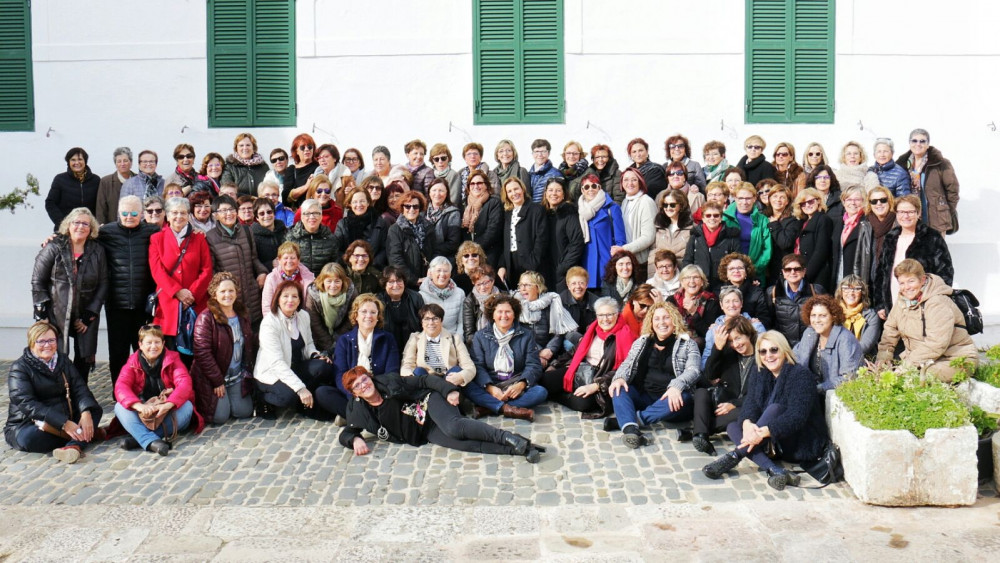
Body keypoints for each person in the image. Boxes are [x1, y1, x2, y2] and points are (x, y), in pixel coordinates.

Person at [701, 330, 829, 490]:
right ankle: (774, 469)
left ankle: (735, 455)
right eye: (763, 351)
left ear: (784, 350)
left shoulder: (801, 375)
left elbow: (796, 417)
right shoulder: (760, 371)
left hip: (798, 439)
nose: (769, 355)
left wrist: (764, 431)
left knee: (775, 408)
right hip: (771, 438)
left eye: (774, 350)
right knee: (733, 427)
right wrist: (747, 423)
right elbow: (751, 402)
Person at [339, 366, 544, 462]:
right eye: (357, 385)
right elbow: (346, 433)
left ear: (370, 378)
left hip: (429, 402)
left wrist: (449, 390)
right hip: (423, 430)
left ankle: (506, 437)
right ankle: (520, 448)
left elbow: (424, 381)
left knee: (454, 427)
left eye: (364, 379)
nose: (363, 385)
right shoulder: (358, 409)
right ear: (354, 392)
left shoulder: (390, 381)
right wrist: (355, 439)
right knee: (464, 444)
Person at [4, 321, 104, 463]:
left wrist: (85, 411)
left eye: (51, 340)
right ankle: (87, 436)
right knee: (29, 439)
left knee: (94, 411)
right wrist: (63, 423)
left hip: (65, 414)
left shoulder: (63, 360)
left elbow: (79, 388)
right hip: (29, 423)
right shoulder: (19, 368)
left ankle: (73, 446)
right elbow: (27, 403)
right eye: (41, 341)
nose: (47, 345)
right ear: (32, 343)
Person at [607, 302, 700, 448]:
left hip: (671, 401)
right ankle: (631, 429)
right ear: (651, 322)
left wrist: (676, 387)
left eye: (666, 318)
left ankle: (630, 422)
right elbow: (627, 363)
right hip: (645, 396)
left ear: (674, 320)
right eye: (657, 319)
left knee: (684, 396)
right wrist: (619, 378)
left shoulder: (687, 344)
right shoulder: (642, 342)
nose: (661, 322)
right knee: (619, 389)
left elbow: (693, 370)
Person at [32, 208, 108, 379]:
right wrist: (41, 314)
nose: (80, 227)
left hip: (86, 313)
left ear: (91, 228)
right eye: (76, 222)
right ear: (68, 225)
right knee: (56, 355)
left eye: (85, 224)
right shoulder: (54, 247)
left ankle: (79, 397)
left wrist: (91, 314)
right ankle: (60, 397)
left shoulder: (97, 250)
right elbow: (38, 281)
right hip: (55, 312)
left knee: (84, 358)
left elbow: (103, 283)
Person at [877, 259, 977, 383]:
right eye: (902, 283)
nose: (906, 287)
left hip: (953, 359)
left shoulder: (937, 303)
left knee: (915, 378)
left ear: (922, 280)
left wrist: (907, 366)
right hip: (924, 359)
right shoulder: (903, 300)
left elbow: (936, 343)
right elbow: (890, 329)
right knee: (885, 377)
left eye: (911, 281)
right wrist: (883, 357)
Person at [114, 324, 203, 455]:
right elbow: (121, 386)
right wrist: (139, 406)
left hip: (167, 413)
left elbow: (185, 383)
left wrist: (168, 405)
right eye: (149, 342)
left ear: (163, 343)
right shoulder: (132, 362)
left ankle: (139, 439)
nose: (153, 346)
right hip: (144, 414)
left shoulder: (173, 359)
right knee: (119, 407)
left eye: (157, 342)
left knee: (187, 407)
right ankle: (151, 441)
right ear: (140, 344)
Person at [98, 195, 160, 382]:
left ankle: (145, 392)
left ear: (141, 214)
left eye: (134, 213)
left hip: (143, 305)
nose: (129, 216)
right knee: (118, 355)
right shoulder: (106, 232)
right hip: (116, 304)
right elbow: (79, 235)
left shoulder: (152, 231)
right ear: (119, 213)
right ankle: (120, 397)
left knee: (146, 352)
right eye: (125, 213)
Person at [541, 297, 635, 416]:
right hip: (581, 370)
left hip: (601, 377)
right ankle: (566, 391)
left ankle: (558, 395)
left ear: (617, 314)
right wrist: (554, 365)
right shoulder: (593, 329)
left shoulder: (626, 336)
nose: (605, 319)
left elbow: (623, 369)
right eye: (600, 315)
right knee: (545, 379)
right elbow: (574, 351)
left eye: (609, 314)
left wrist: (597, 385)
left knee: (582, 404)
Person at [468, 294, 548, 421]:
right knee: (468, 387)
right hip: (491, 383)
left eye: (508, 312)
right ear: (492, 315)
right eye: (499, 312)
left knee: (540, 392)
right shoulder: (480, 336)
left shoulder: (526, 335)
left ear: (514, 314)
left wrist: (521, 384)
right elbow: (478, 365)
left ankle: (490, 407)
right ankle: (508, 409)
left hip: (515, 382)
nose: (504, 316)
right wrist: (490, 388)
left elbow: (533, 364)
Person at [872, 195, 953, 319]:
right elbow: (881, 273)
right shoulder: (890, 237)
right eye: (901, 212)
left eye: (910, 212)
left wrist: (933, 301)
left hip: (923, 304)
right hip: (893, 300)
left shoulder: (931, 237)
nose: (906, 216)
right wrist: (880, 303)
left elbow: (945, 272)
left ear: (918, 213)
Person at [149, 197, 212, 352]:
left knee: (197, 352)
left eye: (183, 213)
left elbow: (207, 269)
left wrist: (192, 294)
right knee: (170, 352)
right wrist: (177, 292)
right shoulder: (157, 238)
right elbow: (157, 270)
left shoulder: (199, 238)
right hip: (168, 303)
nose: (179, 216)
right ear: (167, 216)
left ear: (188, 215)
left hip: (196, 303)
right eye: (174, 212)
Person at [191, 272, 255, 425]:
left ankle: (232, 398)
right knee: (220, 417)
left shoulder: (242, 314)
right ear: (214, 294)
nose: (228, 295)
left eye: (231, 290)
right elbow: (202, 352)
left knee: (244, 412)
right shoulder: (206, 318)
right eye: (223, 291)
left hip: (236, 376)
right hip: (214, 378)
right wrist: (217, 381)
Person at [694, 316, 757, 456]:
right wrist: (718, 348)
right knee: (701, 393)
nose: (736, 344)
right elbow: (710, 375)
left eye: (738, 338)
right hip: (723, 401)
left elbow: (760, 394)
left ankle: (700, 432)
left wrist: (733, 404)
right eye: (731, 341)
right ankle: (701, 437)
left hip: (743, 405)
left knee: (743, 412)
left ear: (749, 334)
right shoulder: (729, 353)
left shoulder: (762, 356)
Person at [328, 294, 400, 415]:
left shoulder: (387, 339)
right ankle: (359, 413)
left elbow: (392, 372)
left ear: (378, 317)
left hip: (378, 391)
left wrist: (371, 392)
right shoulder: (344, 340)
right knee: (323, 393)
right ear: (356, 315)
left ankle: (352, 415)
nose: (368, 316)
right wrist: (355, 394)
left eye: (373, 312)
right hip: (353, 392)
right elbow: (340, 374)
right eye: (364, 312)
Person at [205, 195, 269, 328]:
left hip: (252, 295)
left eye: (231, 209)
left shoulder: (246, 231)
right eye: (223, 211)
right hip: (230, 298)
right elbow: (212, 271)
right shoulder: (210, 237)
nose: (229, 214)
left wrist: (262, 272)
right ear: (216, 215)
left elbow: (254, 258)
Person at [792, 295, 862, 393]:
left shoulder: (845, 339)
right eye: (813, 315)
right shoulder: (809, 333)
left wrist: (818, 388)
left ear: (833, 316)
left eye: (823, 316)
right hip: (811, 393)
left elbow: (849, 378)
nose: (816, 320)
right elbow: (795, 359)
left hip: (836, 396)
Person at [896, 128, 960, 235]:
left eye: (922, 141)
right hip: (910, 219)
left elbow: (953, 191)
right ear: (909, 143)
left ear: (928, 144)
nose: (918, 144)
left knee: (936, 251)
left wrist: (945, 211)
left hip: (936, 220)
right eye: (914, 141)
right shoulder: (901, 165)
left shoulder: (941, 163)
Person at [401, 303, 476, 390]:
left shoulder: (454, 338)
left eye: (435, 318)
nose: (431, 322)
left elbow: (469, 366)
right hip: (427, 380)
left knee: (457, 370)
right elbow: (407, 365)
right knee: (418, 372)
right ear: (422, 322)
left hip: (449, 379)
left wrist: (461, 376)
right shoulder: (415, 338)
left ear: (441, 321)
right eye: (427, 319)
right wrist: (411, 378)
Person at [514, 270, 577, 370]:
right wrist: (539, 352)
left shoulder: (550, 303)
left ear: (538, 288)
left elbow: (559, 330)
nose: (523, 288)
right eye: (521, 285)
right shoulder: (515, 305)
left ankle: (556, 366)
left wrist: (550, 349)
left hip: (549, 351)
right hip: (526, 350)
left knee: (571, 342)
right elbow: (517, 333)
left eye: (527, 285)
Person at [578, 174, 627, 290]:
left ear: (599, 188)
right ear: (582, 190)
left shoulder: (612, 208)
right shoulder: (580, 210)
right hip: (587, 264)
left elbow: (620, 240)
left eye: (594, 186)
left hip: (606, 263)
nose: (590, 189)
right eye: (587, 187)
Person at [497, 177, 546, 287]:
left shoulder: (536, 209)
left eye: (516, 189)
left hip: (530, 263)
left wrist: (532, 265)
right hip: (512, 264)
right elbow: (504, 243)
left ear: (522, 189)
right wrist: (502, 266)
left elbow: (541, 240)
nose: (514, 193)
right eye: (509, 191)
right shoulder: (507, 213)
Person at [682, 201, 741, 291]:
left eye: (716, 215)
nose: (712, 218)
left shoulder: (731, 236)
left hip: (724, 285)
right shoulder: (695, 236)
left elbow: (738, 261)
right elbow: (687, 260)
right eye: (708, 215)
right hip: (699, 285)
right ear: (703, 218)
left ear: (721, 218)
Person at [767, 254, 824, 346]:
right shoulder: (772, 293)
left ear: (804, 271)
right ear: (783, 273)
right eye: (788, 269)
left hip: (811, 345)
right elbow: (770, 321)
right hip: (784, 347)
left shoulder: (816, 291)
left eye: (797, 269)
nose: (792, 272)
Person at [723, 182, 772, 284]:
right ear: (735, 198)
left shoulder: (762, 220)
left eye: (748, 198)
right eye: (740, 198)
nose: (744, 202)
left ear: (754, 199)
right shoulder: (725, 218)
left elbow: (767, 250)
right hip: (730, 274)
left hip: (755, 273)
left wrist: (752, 269)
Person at [387, 191, 438, 288]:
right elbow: (395, 259)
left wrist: (432, 272)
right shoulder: (395, 230)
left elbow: (436, 251)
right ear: (402, 207)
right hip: (407, 284)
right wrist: (414, 280)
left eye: (415, 206)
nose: (411, 209)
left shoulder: (428, 227)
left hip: (429, 281)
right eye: (408, 206)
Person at [542, 178, 584, 291]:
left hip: (563, 272)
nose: (554, 194)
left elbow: (577, 243)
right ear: (545, 193)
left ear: (564, 194)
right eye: (550, 190)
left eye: (558, 190)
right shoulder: (543, 214)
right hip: (546, 271)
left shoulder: (569, 213)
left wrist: (562, 268)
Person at [305, 262, 358, 352]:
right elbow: (314, 323)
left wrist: (338, 341)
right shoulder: (313, 294)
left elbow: (351, 319)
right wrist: (329, 345)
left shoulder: (351, 292)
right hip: (319, 340)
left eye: (337, 281)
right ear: (323, 282)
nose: (333, 286)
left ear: (343, 282)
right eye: (329, 281)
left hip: (344, 337)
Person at [615, 168, 657, 276]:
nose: (630, 183)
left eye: (634, 180)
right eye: (626, 180)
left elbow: (648, 237)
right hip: (627, 261)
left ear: (640, 182)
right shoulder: (625, 202)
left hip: (640, 262)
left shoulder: (646, 202)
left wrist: (623, 249)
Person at [45, 147, 101, 229]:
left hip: (88, 228)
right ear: (68, 162)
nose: (77, 162)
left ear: (85, 161)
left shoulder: (96, 180)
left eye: (80, 159)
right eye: (73, 160)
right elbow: (50, 203)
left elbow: (100, 205)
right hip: (65, 228)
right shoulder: (60, 179)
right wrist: (62, 223)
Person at [668, 265, 722, 347]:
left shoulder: (711, 302)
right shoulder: (671, 300)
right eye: (687, 277)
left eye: (696, 277)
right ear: (682, 282)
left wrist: (694, 312)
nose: (692, 281)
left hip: (698, 345)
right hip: (674, 341)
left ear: (702, 282)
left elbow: (708, 333)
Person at [462, 169, 505, 267]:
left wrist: (474, 249)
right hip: (468, 258)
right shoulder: (464, 205)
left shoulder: (494, 203)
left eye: (479, 183)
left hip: (488, 255)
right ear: (468, 187)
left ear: (486, 185)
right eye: (472, 184)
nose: (476, 186)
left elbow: (493, 231)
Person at [793, 187, 834, 289]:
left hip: (815, 276)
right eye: (803, 203)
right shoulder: (803, 222)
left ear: (818, 201)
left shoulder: (823, 219)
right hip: (801, 273)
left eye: (810, 201)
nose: (807, 205)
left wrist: (805, 276)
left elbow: (821, 251)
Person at [377, 266, 425, 353]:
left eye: (399, 281)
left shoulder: (415, 297)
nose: (396, 285)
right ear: (384, 284)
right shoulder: (378, 301)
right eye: (391, 282)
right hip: (386, 349)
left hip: (413, 349)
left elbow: (424, 323)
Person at [831, 186, 873, 285]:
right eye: (848, 199)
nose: (853, 203)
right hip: (837, 276)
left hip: (856, 279)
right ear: (843, 202)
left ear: (864, 201)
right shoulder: (837, 222)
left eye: (857, 199)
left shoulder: (867, 223)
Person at [284, 198, 337, 276]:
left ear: (321, 216)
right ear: (302, 217)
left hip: (322, 282)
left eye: (316, 213)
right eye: (307, 213)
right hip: (297, 280)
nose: (312, 217)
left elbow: (334, 264)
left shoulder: (330, 238)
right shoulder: (290, 237)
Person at [717, 252, 771, 327]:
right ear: (726, 274)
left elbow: (765, 318)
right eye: (731, 268)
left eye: (740, 268)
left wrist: (756, 322)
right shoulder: (719, 292)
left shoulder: (756, 292)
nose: (736, 271)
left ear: (746, 272)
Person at [261, 241, 315, 317]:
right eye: (285, 258)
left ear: (298, 260)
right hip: (278, 320)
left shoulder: (308, 278)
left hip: (301, 319)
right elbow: (267, 307)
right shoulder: (271, 278)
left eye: (293, 258)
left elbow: (310, 307)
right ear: (279, 260)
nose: (289, 261)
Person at [333, 187, 385, 263]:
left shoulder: (379, 223)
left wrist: (370, 264)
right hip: (348, 268)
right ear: (350, 204)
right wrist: (350, 263)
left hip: (374, 269)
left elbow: (384, 249)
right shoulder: (342, 224)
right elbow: (336, 250)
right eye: (355, 202)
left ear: (368, 203)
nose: (359, 205)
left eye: (362, 201)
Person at [836, 275, 882, 358]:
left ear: (862, 293)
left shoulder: (871, 316)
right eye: (846, 288)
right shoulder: (834, 314)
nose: (851, 293)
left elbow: (866, 345)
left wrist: (846, 357)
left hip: (864, 360)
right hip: (837, 359)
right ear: (841, 292)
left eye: (856, 289)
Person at [419, 257, 465, 337]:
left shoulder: (459, 293)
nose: (442, 274)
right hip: (430, 339)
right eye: (439, 270)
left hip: (452, 338)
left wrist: (457, 341)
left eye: (446, 271)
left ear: (450, 274)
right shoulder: (421, 295)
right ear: (431, 273)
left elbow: (461, 322)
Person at [425, 177, 462, 268]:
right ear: (429, 192)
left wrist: (431, 251)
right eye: (434, 190)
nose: (437, 194)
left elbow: (453, 243)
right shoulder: (422, 211)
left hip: (444, 259)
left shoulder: (453, 213)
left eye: (441, 191)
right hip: (423, 258)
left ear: (446, 194)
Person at [651, 189, 693, 268]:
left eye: (672, 205)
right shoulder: (658, 226)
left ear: (681, 206)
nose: (668, 208)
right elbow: (652, 254)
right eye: (665, 205)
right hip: (661, 275)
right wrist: (651, 277)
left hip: (683, 274)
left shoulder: (692, 228)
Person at [561, 266, 599, 349]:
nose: (578, 286)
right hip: (569, 338)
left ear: (586, 285)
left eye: (581, 283)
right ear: (568, 285)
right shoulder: (560, 302)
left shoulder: (596, 302)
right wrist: (579, 339)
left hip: (591, 337)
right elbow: (564, 329)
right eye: (573, 283)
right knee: (570, 345)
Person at [463, 265, 501, 348]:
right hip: (480, 345)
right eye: (478, 284)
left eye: (486, 283)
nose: (482, 287)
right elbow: (469, 334)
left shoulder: (503, 297)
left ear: (492, 281)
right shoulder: (470, 301)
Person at [220, 133, 269, 197]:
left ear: (253, 148)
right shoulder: (229, 167)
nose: (245, 148)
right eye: (241, 145)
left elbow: (269, 188)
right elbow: (228, 190)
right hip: (238, 205)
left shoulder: (263, 166)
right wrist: (251, 198)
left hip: (260, 204)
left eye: (248, 145)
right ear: (236, 148)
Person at [866, 185, 897, 282]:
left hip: (893, 280)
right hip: (870, 280)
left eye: (883, 200)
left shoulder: (898, 223)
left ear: (890, 201)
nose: (878, 204)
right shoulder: (866, 225)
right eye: (874, 201)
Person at [95, 147, 133, 224]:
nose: (122, 164)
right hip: (112, 226)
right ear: (115, 164)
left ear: (131, 163)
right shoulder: (106, 181)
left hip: (135, 225)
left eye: (125, 161)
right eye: (119, 161)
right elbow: (101, 208)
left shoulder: (137, 179)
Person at [282, 134, 319, 207]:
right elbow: (286, 197)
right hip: (298, 212)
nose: (307, 149)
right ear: (296, 151)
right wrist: (306, 186)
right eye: (302, 147)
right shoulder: (291, 170)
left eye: (310, 146)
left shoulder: (318, 167)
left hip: (315, 209)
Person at [250, 198, 286, 268]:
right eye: (261, 213)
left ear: (274, 213)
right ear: (257, 217)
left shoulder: (284, 231)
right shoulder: (252, 236)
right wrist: (271, 264)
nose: (266, 216)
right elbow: (252, 263)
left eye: (269, 212)